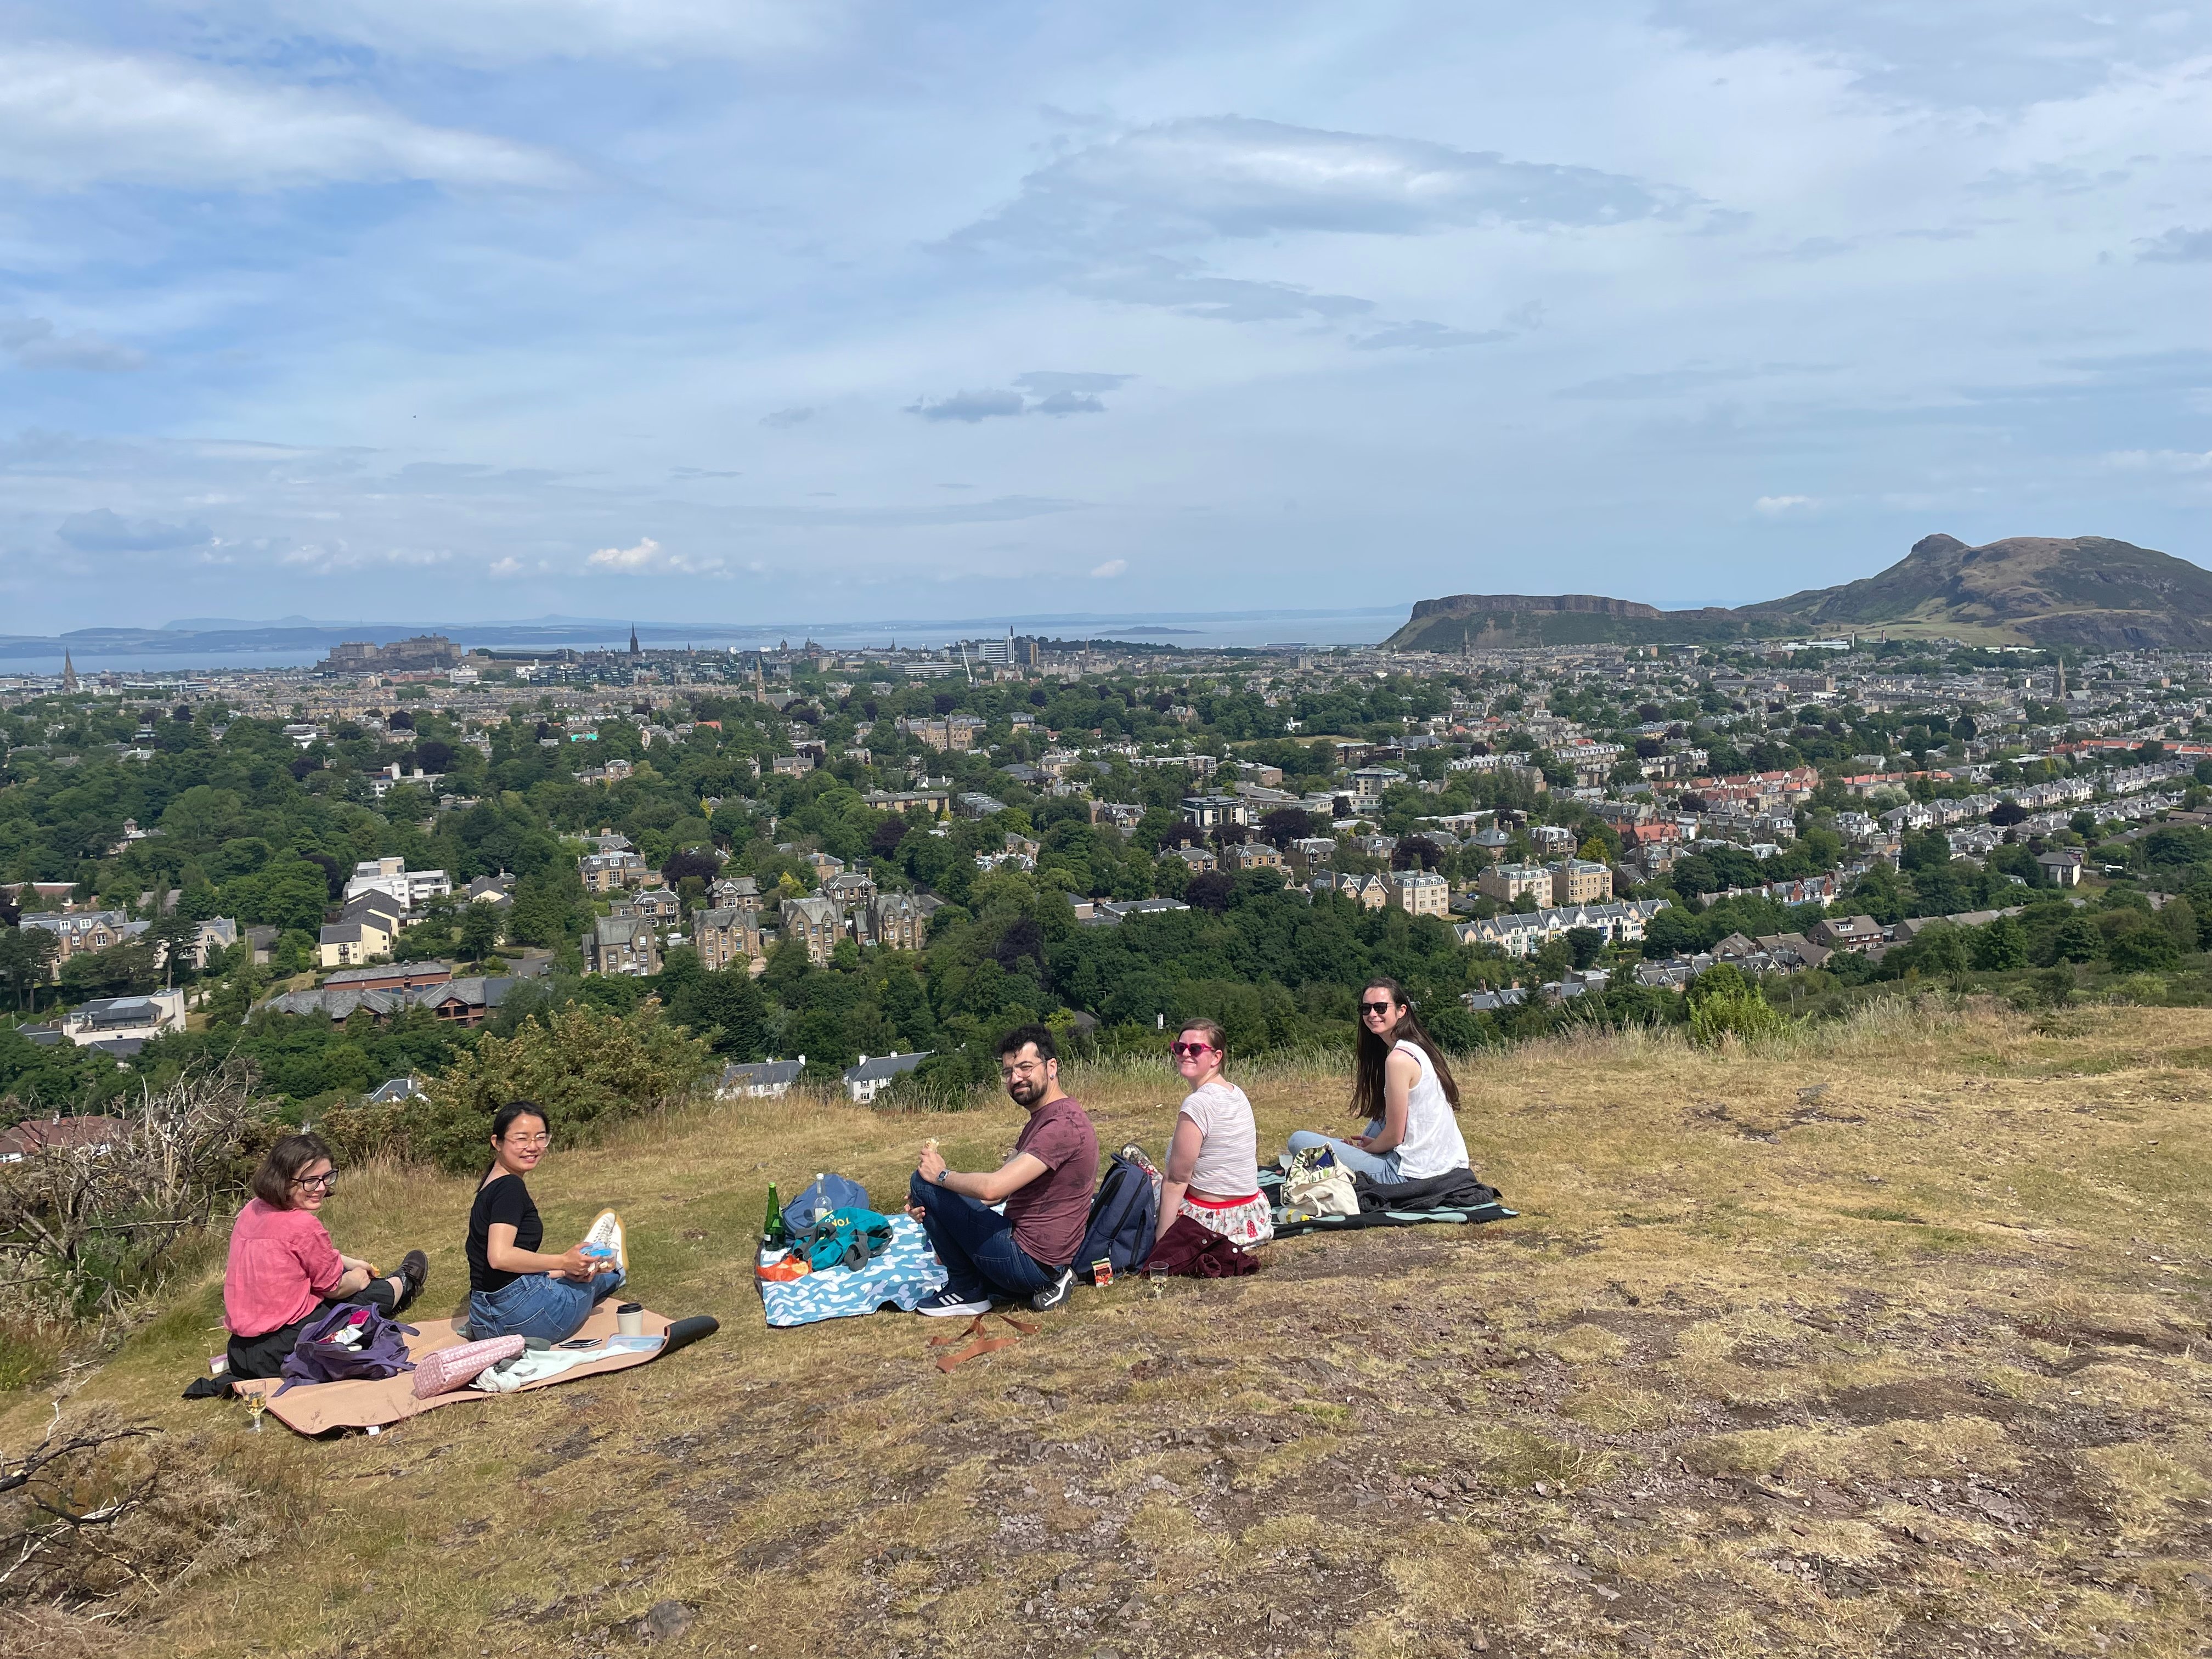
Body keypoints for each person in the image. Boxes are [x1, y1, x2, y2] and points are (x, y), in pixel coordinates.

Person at [908, 1024, 1099, 1316]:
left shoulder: (1062, 1126)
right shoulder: (1046, 1117)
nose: (1015, 1078)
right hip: (1036, 1257)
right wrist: (941, 1213)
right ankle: (969, 1281)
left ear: (1051, 1067)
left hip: (1030, 1262)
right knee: (932, 1193)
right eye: (1009, 1072)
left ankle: (966, 1290)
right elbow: (996, 1196)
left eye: (1024, 1067)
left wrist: (941, 1177)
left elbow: (993, 1188)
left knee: (923, 1182)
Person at [223, 1132, 428, 1380]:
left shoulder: (252, 1209)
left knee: (338, 1280)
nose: (321, 1188)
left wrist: (350, 1262)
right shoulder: (302, 1224)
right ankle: (403, 1283)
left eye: (326, 1178)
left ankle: (395, 1284)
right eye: (311, 1181)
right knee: (363, 1295)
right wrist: (359, 1276)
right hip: (287, 1348)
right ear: (284, 1180)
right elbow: (333, 1288)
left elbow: (300, 1254)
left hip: (240, 1353)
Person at [466, 1102, 627, 1342]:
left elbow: (495, 1273)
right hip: (526, 1318)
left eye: (540, 1138)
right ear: (497, 1142)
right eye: (521, 1139)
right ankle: (615, 1268)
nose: (533, 1147)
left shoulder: (491, 1185)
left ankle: (589, 1261)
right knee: (595, 1281)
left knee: (569, 1276)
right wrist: (564, 1261)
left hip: (484, 1320)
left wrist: (563, 1269)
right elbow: (500, 1257)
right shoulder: (510, 1188)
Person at [1285, 978, 1469, 1183]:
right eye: (1366, 1008)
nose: (1373, 1014)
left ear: (1401, 1011)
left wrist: (1369, 1149)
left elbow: (1395, 1136)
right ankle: (1353, 1154)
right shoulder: (1417, 1047)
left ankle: (1351, 1157)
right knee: (1381, 1117)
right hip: (1444, 1163)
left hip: (1407, 1174)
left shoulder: (1398, 1059)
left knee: (1298, 1141)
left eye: (1381, 1007)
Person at [1154, 1019, 1272, 1250]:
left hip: (1211, 1221)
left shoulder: (1198, 1104)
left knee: (1147, 1181)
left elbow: (1177, 1180)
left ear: (1216, 1058)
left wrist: (1161, 1243)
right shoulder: (1236, 1093)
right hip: (1251, 1217)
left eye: (1195, 1049)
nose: (1185, 1054)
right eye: (1180, 1048)